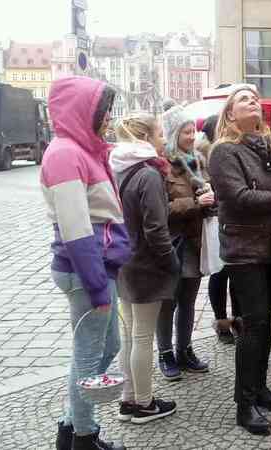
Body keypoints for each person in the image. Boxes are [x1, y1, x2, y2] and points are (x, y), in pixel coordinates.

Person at [43, 76, 129, 450]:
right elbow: (76, 229)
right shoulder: (65, 154)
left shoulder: (81, 150)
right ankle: (83, 437)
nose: (108, 116)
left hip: (96, 267)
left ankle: (70, 428)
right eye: (102, 110)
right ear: (82, 111)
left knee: (105, 348)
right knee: (89, 356)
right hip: (86, 271)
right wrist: (96, 286)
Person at [209, 86, 271, 435]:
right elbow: (236, 196)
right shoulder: (224, 151)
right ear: (230, 113)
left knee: (265, 321)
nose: (254, 102)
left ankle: (259, 387)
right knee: (253, 323)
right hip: (243, 248)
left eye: (256, 99)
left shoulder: (266, 147)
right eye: (244, 99)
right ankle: (244, 404)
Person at [110, 114, 179, 425]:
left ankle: (128, 400)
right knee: (141, 336)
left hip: (123, 261)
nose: (163, 140)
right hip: (145, 265)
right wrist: (171, 261)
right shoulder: (148, 174)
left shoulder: (118, 168)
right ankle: (144, 403)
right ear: (146, 138)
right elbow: (156, 229)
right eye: (160, 134)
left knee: (130, 335)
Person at [155, 105, 212, 380]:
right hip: (172, 243)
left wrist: (212, 198)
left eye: (193, 130)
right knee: (168, 302)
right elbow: (160, 209)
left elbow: (210, 197)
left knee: (189, 300)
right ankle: (165, 353)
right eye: (185, 131)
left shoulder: (199, 160)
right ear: (173, 134)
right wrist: (195, 203)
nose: (191, 136)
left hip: (195, 242)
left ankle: (185, 350)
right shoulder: (161, 165)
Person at [202, 115, 239, 345]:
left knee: (235, 273)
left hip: (233, 219)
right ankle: (222, 322)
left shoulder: (233, 150)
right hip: (216, 220)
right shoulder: (206, 156)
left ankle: (238, 319)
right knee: (219, 273)